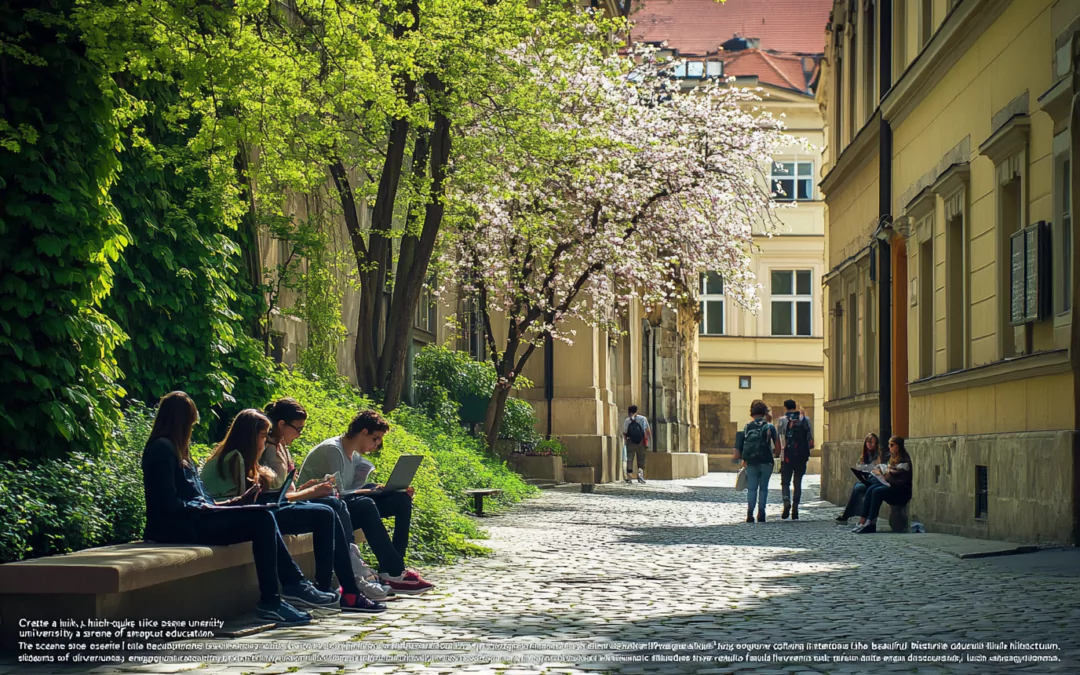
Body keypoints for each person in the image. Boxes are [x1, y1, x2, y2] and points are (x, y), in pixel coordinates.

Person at [141, 391, 329, 626]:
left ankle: (291, 587)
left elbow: (198, 498)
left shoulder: (180, 452)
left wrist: (231, 504)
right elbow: (167, 504)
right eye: (191, 424)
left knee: (262, 514)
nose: (192, 430)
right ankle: (275, 598)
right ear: (180, 422)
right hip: (176, 527)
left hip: (195, 518)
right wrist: (210, 510)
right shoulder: (161, 450)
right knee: (261, 520)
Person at [201, 409, 386, 613]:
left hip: (259, 511)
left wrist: (303, 489)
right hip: (238, 516)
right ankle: (335, 590)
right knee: (326, 511)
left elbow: (264, 497)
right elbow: (243, 502)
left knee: (328, 511)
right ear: (249, 436)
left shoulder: (247, 456)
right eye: (263, 436)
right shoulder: (236, 458)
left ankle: (334, 588)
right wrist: (308, 492)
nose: (265, 441)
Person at [262, 398, 405, 601]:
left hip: (293, 503)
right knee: (334, 507)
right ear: (282, 425)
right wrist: (311, 492)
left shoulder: (282, 448)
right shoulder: (270, 451)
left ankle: (356, 579)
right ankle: (351, 582)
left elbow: (287, 491)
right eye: (298, 429)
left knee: (341, 506)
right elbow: (278, 496)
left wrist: (308, 488)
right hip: (278, 509)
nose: (300, 434)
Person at [298, 410, 435, 595]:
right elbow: (338, 492)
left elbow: (352, 489)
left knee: (401, 500)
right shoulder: (333, 450)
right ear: (363, 432)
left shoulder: (353, 456)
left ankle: (392, 571)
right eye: (375, 439)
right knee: (365, 505)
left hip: (342, 505)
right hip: (319, 507)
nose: (376, 445)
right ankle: (395, 570)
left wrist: (383, 490)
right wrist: (371, 492)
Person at [852, 436, 912, 534]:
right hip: (891, 487)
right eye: (889, 445)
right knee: (871, 488)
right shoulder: (893, 458)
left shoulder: (904, 459)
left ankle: (871, 522)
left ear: (898, 446)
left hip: (901, 492)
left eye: (892, 445)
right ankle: (863, 520)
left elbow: (900, 479)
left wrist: (886, 473)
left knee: (877, 491)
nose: (889, 447)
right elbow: (889, 474)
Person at [735, 400, 779, 523]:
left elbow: (743, 444)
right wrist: (775, 454)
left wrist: (745, 459)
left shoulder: (748, 427)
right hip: (766, 461)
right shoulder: (770, 427)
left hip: (751, 462)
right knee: (763, 488)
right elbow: (778, 446)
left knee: (752, 488)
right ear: (765, 413)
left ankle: (750, 513)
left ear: (752, 413)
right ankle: (761, 513)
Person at [775, 399, 813, 521]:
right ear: (795, 407)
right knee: (798, 482)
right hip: (801, 456)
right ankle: (795, 509)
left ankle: (786, 501)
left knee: (785, 482)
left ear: (785, 407)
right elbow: (811, 442)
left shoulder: (782, 421)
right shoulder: (805, 420)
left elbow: (779, 439)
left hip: (786, 456)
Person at [835, 433, 884, 523]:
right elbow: (860, 466)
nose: (871, 444)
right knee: (857, 486)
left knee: (859, 488)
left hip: (876, 480)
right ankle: (848, 515)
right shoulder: (865, 454)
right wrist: (867, 467)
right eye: (869, 442)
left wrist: (868, 467)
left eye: (874, 443)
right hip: (868, 479)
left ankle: (853, 516)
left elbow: (876, 467)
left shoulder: (879, 453)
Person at [622, 405, 651, 484]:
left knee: (629, 459)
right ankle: (640, 474)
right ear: (636, 411)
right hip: (641, 442)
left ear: (629, 412)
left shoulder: (627, 420)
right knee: (641, 460)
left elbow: (625, 433)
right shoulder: (643, 419)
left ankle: (629, 476)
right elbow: (647, 431)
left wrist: (625, 443)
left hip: (630, 442)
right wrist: (648, 441)